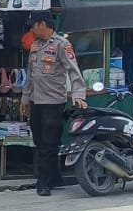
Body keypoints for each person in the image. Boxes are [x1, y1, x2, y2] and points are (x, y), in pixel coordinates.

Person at [19, 12, 87, 197]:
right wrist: (25, 98)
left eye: (33, 26)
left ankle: (43, 182)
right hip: (36, 101)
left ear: (42, 24)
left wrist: (78, 94)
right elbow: (31, 75)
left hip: (53, 103)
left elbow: (74, 71)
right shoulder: (35, 45)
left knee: (49, 143)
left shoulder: (62, 45)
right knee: (39, 141)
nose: (31, 30)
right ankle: (55, 177)